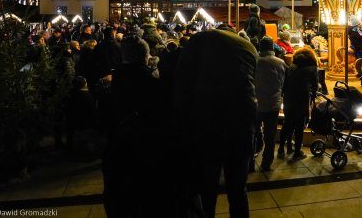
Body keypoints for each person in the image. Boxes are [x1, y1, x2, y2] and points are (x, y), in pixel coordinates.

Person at [175, 23, 258, 218]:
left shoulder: (199, 41)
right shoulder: (248, 47)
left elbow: (182, 86)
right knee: (238, 189)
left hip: (207, 124)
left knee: (207, 188)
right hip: (242, 125)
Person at [103, 35, 170, 217]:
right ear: (146, 56)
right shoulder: (155, 85)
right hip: (149, 157)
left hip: (118, 157)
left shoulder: (110, 87)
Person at [277, 47, 319, 160]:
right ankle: (297, 152)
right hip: (302, 98)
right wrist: (314, 96)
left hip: (289, 97)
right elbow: (315, 85)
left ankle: (281, 148)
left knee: (287, 122)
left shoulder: (292, 66)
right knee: (299, 125)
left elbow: (285, 82)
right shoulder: (312, 68)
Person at [253, 36, 287, 171]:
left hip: (256, 103)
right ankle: (267, 162)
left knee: (254, 132)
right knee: (270, 134)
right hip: (273, 104)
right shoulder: (280, 63)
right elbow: (285, 83)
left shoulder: (255, 61)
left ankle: (250, 160)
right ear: (272, 48)